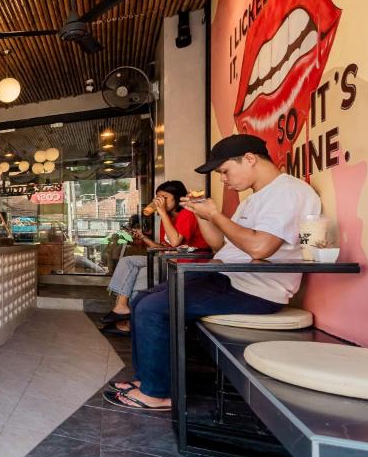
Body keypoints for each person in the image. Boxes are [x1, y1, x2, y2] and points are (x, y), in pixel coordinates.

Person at [104, 134, 321, 411]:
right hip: (229, 276)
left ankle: (157, 393)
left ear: (250, 159)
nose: (223, 179)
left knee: (151, 309)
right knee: (141, 300)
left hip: (252, 288)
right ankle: (148, 379)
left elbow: (260, 248)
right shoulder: (254, 199)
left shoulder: (288, 192)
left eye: (225, 171)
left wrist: (216, 215)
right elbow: (220, 245)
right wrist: (203, 216)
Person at [101, 180, 210, 334]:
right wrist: (144, 238)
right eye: (158, 197)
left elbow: (175, 241)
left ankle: (133, 323)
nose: (160, 202)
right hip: (170, 259)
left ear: (177, 197)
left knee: (143, 273)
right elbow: (165, 248)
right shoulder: (167, 218)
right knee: (127, 261)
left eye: (164, 197)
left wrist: (162, 213)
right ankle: (121, 306)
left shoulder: (187, 213)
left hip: (188, 262)